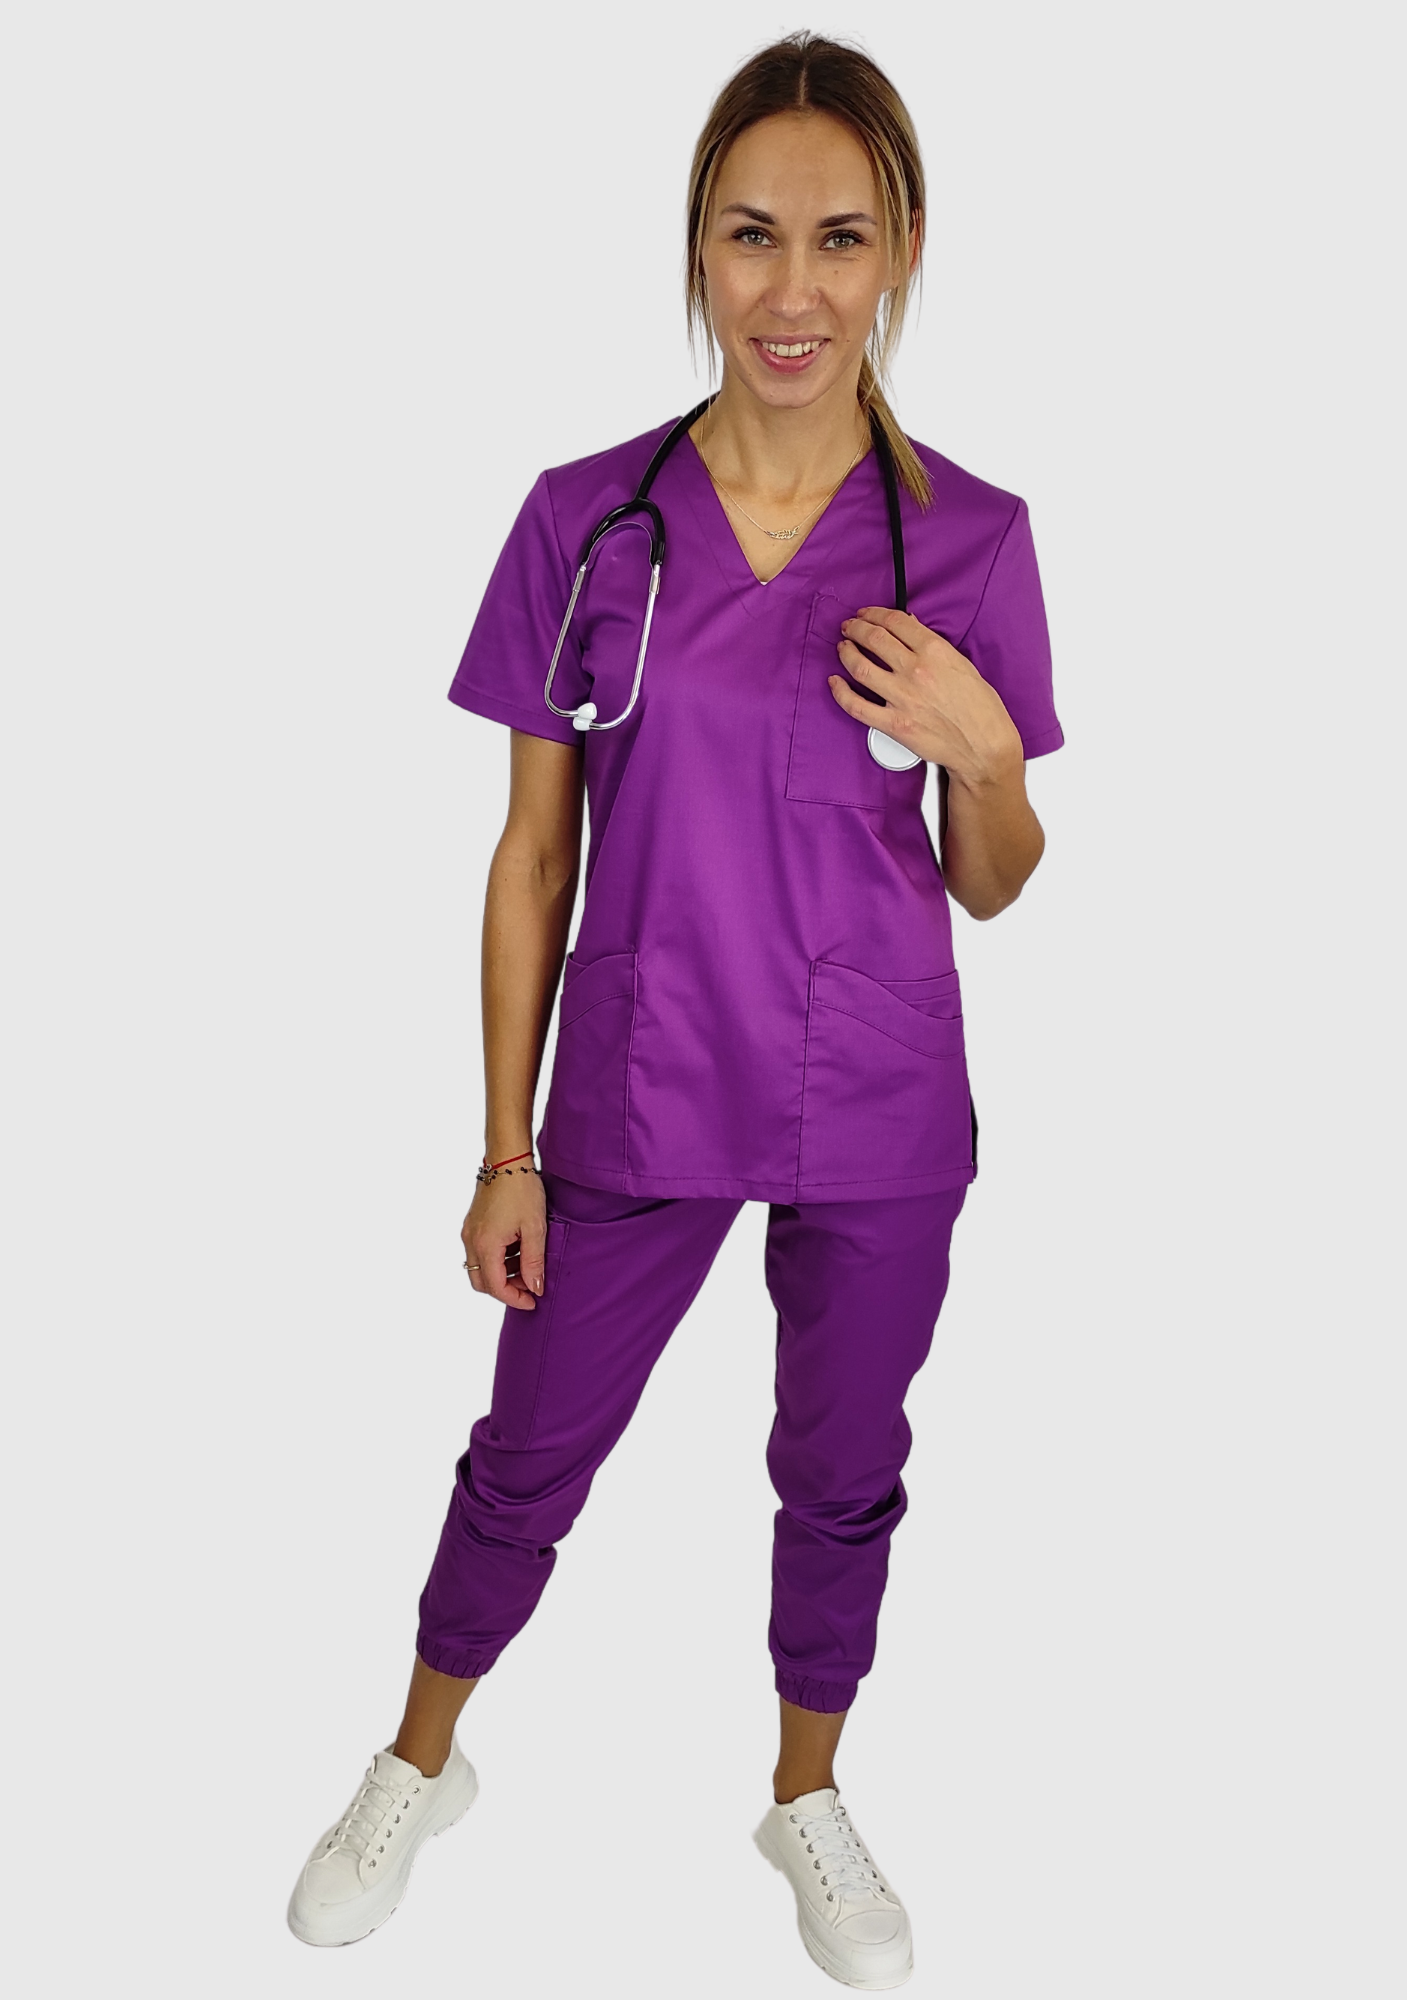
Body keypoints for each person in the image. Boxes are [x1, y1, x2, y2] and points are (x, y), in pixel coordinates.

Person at [287, 30, 1063, 1989]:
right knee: (527, 1450)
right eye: (747, 235)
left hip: (877, 1091)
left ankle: (804, 1791)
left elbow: (990, 877)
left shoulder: (970, 537)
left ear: (900, 250)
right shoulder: (587, 518)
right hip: (639, 1078)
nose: (788, 289)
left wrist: (983, 754)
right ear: (696, 248)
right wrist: (502, 1144)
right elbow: (530, 858)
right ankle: (415, 1759)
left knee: (843, 1465)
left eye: (837, 237)